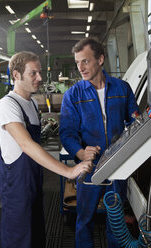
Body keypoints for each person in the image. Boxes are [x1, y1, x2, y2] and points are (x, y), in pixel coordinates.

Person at [0, 51, 92, 248]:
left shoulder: (31, 102)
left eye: (39, 72)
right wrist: (69, 171)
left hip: (33, 183)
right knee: (19, 240)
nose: (39, 78)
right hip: (17, 189)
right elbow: (26, 144)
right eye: (33, 73)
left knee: (37, 236)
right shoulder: (7, 104)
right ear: (16, 75)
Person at [59, 37, 139, 248]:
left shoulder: (122, 88)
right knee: (84, 219)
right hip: (89, 168)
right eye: (77, 62)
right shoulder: (73, 95)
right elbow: (67, 133)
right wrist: (80, 152)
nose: (80, 68)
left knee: (115, 219)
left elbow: (135, 123)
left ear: (101, 59)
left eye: (85, 61)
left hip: (117, 164)